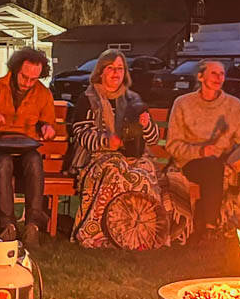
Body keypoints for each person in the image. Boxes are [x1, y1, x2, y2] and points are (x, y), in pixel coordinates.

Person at [67, 49, 167, 249]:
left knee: (145, 171)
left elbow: (153, 138)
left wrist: (146, 124)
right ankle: (100, 234)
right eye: (110, 68)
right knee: (115, 169)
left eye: (120, 69)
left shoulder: (133, 99)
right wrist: (106, 141)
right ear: (100, 72)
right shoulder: (88, 98)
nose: (116, 73)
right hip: (96, 156)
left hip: (133, 156)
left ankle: (141, 235)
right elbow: (82, 134)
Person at [0, 47, 56, 246]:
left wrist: (48, 129)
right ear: (15, 69)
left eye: (34, 79)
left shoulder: (42, 93)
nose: (28, 83)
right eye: (24, 77)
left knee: (34, 160)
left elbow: (49, 123)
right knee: (3, 162)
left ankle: (33, 225)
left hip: (26, 149)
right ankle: (8, 226)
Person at [165, 59, 240, 242]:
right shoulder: (183, 103)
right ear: (200, 76)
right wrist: (200, 151)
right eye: (214, 73)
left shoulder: (234, 105)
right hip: (191, 162)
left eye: (222, 73)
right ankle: (210, 226)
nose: (219, 77)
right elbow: (172, 146)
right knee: (212, 166)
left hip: (224, 161)